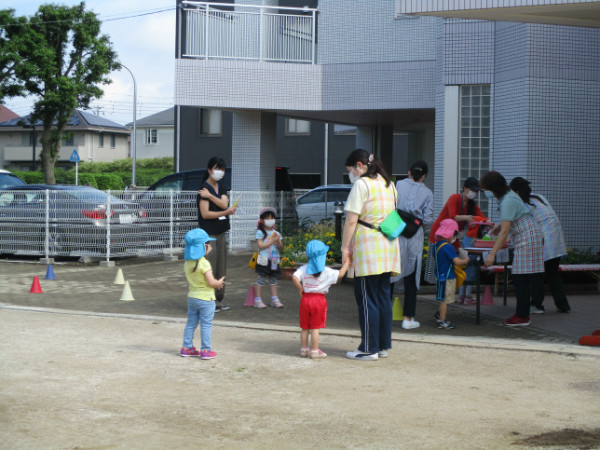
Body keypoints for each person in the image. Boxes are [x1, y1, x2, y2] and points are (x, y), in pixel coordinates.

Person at [341, 149, 401, 361]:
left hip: (368, 244)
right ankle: (382, 345)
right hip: (388, 244)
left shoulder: (362, 184)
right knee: (383, 296)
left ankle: (368, 347)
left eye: (351, 170)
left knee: (366, 298)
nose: (352, 175)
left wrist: (344, 247)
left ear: (359, 165)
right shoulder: (389, 184)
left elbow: (351, 220)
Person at [480, 171, 544, 327]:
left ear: (493, 188)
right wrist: (498, 225)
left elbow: (504, 232)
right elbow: (511, 219)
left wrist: (492, 255)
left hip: (526, 238)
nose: (485, 193)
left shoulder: (507, 200)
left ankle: (522, 316)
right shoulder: (508, 196)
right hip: (530, 235)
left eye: (485, 189)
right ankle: (523, 314)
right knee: (523, 277)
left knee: (519, 277)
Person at [509, 177, 571, 313]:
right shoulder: (539, 197)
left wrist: (511, 241)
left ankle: (536, 305)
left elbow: (520, 226)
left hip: (545, 239)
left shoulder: (522, 205)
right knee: (553, 273)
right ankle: (563, 305)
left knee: (537, 274)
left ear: (517, 192)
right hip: (556, 239)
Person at [424, 177, 484, 305]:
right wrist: (468, 218)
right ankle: (442, 296)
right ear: (465, 189)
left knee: (456, 266)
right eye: (472, 190)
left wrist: (490, 223)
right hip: (440, 237)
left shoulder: (472, 205)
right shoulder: (455, 198)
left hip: (453, 239)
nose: (474, 193)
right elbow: (453, 216)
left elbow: (481, 218)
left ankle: (453, 295)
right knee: (440, 269)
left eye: (476, 191)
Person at [389, 160, 433, 330]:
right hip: (414, 234)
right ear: (424, 176)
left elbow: (389, 206)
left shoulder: (397, 185)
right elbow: (428, 219)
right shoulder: (428, 193)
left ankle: (384, 315)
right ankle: (408, 319)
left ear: (409, 172)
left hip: (394, 231)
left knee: (390, 274)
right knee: (411, 277)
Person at [292, 240, 351, 359]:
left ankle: (303, 350)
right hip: (319, 300)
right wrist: (347, 262)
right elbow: (340, 275)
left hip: (305, 299)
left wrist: (300, 288)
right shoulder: (327, 271)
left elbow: (294, 277)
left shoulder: (304, 268)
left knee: (305, 327)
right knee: (315, 328)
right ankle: (314, 351)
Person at [197, 157, 237, 312]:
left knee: (221, 267)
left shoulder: (221, 187)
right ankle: (206, 301)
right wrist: (226, 212)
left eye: (222, 169)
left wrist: (211, 197)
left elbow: (224, 203)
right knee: (209, 267)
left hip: (221, 233)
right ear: (209, 170)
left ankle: (217, 299)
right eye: (216, 169)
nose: (219, 172)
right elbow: (205, 214)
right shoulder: (203, 189)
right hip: (208, 235)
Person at [180, 228, 225, 359]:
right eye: (208, 243)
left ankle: (186, 347)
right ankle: (206, 350)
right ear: (203, 247)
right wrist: (219, 283)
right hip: (206, 299)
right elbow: (211, 282)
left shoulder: (187, 263)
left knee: (191, 323)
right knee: (206, 324)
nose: (210, 245)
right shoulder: (204, 263)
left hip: (192, 297)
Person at [433, 219, 470, 329]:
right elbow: (457, 262)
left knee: (442, 298)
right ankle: (442, 321)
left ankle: (440, 315)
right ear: (450, 234)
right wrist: (466, 260)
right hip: (448, 277)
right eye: (454, 234)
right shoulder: (448, 247)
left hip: (440, 275)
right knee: (445, 300)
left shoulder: (437, 245)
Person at [253, 207, 284, 309]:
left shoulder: (276, 233)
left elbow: (280, 247)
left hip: (274, 259)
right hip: (264, 259)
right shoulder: (260, 233)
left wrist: (278, 240)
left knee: (273, 279)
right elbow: (261, 246)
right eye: (268, 218)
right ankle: (258, 300)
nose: (270, 220)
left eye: (272, 218)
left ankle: (274, 299)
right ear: (262, 220)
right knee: (261, 278)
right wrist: (272, 241)